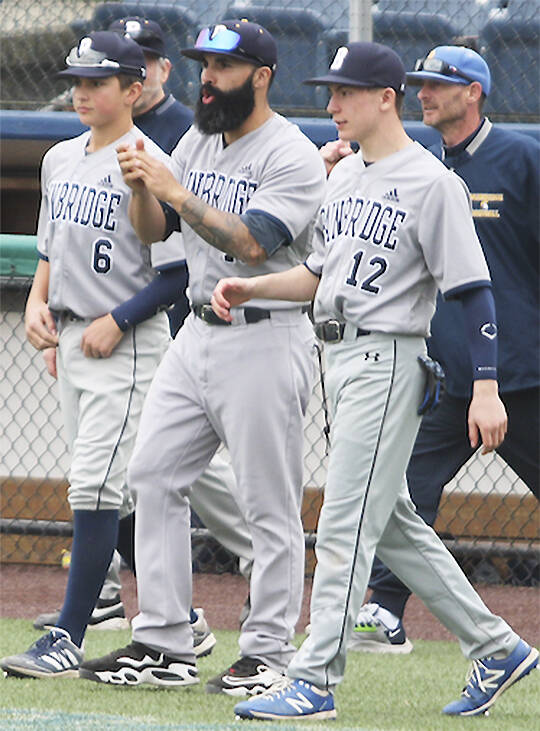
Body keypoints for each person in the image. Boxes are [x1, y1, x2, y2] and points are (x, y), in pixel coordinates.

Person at [208, 42, 538, 720]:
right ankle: (496, 646)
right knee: (388, 524)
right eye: (331, 93)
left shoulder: (432, 181)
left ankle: (316, 676)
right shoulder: (345, 176)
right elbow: (320, 275)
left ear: (384, 97)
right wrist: (253, 287)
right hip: (340, 356)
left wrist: (484, 386)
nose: (331, 106)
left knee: (342, 523)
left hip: (389, 356)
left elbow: (474, 293)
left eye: (345, 93)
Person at [76, 19, 326, 693]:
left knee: (268, 504)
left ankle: (270, 650)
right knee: (151, 473)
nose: (206, 79)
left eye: (223, 67)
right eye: (204, 65)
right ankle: (163, 640)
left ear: (262, 76)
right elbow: (158, 229)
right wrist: (140, 186)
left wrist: (174, 186)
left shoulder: (291, 153)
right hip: (199, 333)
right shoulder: (197, 138)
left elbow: (253, 243)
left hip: (266, 333)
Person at [29, 18, 254, 658]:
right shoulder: (58, 157)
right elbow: (50, 249)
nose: (82, 92)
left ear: (134, 87)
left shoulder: (157, 163)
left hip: (125, 345)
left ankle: (70, 636)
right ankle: (178, 615)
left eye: (97, 81)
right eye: (76, 80)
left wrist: (116, 319)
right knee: (118, 486)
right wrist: (36, 303)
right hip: (73, 339)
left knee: (97, 486)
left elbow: (175, 272)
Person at [352, 45, 540, 656]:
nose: (424, 93)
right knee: (402, 491)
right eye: (421, 84)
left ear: (474, 93)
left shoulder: (522, 159)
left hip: (526, 374)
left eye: (438, 84)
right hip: (447, 375)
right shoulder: (417, 164)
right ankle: (383, 610)